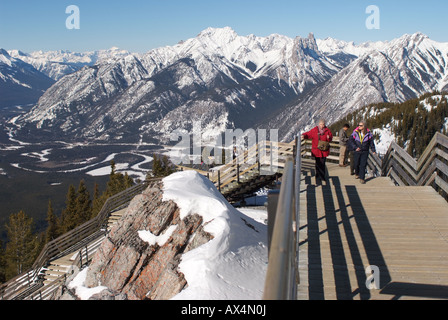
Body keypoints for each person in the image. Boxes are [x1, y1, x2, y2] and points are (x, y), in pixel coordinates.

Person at [302, 119, 333, 185]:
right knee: (318, 164)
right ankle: (318, 178)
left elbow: (330, 138)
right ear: (319, 124)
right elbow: (308, 134)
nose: (322, 126)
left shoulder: (327, 131)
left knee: (323, 163)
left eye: (323, 124)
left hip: (324, 150)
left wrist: (329, 137)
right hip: (317, 150)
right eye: (321, 124)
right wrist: (304, 135)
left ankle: (322, 177)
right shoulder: (314, 130)